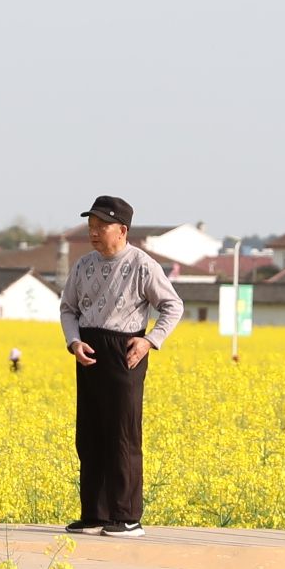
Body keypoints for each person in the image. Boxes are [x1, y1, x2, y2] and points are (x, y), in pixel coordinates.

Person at [58, 195, 181, 536]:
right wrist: (73, 341)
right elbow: (68, 308)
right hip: (88, 348)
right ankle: (95, 513)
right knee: (90, 433)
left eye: (101, 226)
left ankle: (126, 515)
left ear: (122, 230)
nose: (94, 233)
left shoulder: (142, 265)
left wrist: (150, 340)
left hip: (125, 350)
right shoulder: (83, 265)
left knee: (122, 435)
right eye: (91, 226)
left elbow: (172, 305)